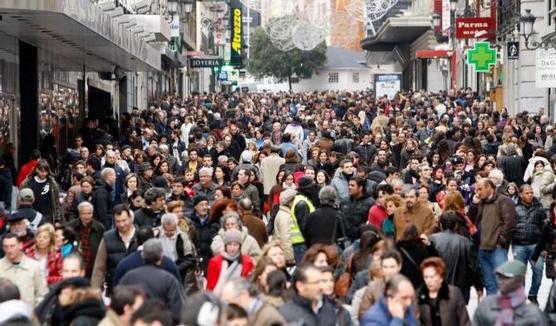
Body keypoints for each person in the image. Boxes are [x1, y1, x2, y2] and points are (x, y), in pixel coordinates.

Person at [119, 239, 186, 324]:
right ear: (161, 256)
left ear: (142, 255)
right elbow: (177, 311)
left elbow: (118, 303)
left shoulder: (128, 277)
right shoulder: (169, 280)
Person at [468, 178, 516, 295]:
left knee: (502, 282)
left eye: (480, 189)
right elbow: (470, 221)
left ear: (490, 187)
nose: (477, 192)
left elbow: (509, 224)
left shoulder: (504, 201)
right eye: (476, 190)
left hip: (497, 248)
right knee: (489, 284)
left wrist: (501, 242)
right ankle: (493, 310)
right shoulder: (481, 202)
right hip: (482, 248)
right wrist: (474, 204)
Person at [429, 212, 483, 304]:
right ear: (456, 225)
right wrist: (479, 286)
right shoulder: (465, 242)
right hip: (460, 289)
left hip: (437, 286)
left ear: (440, 225)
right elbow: (473, 267)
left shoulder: (432, 240)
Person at [473, 260, 548, 325]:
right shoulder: (486, 306)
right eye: (500, 277)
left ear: (519, 280)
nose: (501, 281)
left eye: (506, 278)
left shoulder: (533, 314)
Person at [91, 204, 138, 296]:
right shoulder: (107, 238)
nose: (121, 224)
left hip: (138, 288)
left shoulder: (141, 235)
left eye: (124, 220)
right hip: (115, 289)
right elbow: (99, 268)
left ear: (130, 218)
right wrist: (94, 292)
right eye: (118, 221)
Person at [512, 183, 546, 304]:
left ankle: (533, 294)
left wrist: (545, 247)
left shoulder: (539, 208)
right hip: (518, 245)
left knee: (538, 271)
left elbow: (545, 228)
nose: (530, 195)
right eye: (527, 193)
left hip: (536, 245)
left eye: (531, 192)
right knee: (519, 274)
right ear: (520, 194)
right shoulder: (514, 208)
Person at [113, 227, 180, 287]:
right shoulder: (168, 264)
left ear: (136, 241)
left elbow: (117, 292)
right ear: (154, 239)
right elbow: (178, 291)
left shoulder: (124, 264)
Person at [417, 257, 470, 326]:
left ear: (441, 277)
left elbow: (464, 321)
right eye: (426, 277)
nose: (428, 281)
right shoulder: (418, 296)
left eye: (432, 277)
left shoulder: (454, 293)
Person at [0, 233, 48, 307]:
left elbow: (42, 293)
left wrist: (35, 313)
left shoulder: (34, 266)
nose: (9, 250)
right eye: (6, 247)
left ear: (20, 245)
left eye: (12, 246)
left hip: (28, 315)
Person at [220, 278, 287, 326]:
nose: (228, 306)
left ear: (244, 295)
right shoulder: (245, 315)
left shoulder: (271, 319)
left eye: (229, 301)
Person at [68, 201, 105, 277]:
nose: (86, 216)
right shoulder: (71, 227)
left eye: (89, 213)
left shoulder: (99, 228)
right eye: (83, 213)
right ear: (79, 214)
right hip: (76, 265)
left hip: (93, 266)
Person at [20, 159, 61, 223]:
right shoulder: (28, 182)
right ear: (37, 170)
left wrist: (57, 219)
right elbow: (20, 198)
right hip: (32, 215)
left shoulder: (52, 183)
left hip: (48, 216)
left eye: (46, 171)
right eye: (41, 171)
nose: (44, 174)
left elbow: (56, 201)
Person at [187, 195, 220, 272]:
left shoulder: (214, 221)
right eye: (201, 204)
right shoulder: (190, 222)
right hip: (195, 262)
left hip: (211, 260)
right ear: (195, 207)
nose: (204, 207)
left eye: (206, 204)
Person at [272, 189, 297, 265]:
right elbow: (286, 238)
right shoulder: (285, 216)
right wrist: (290, 258)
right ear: (290, 202)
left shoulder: (284, 213)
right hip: (286, 255)